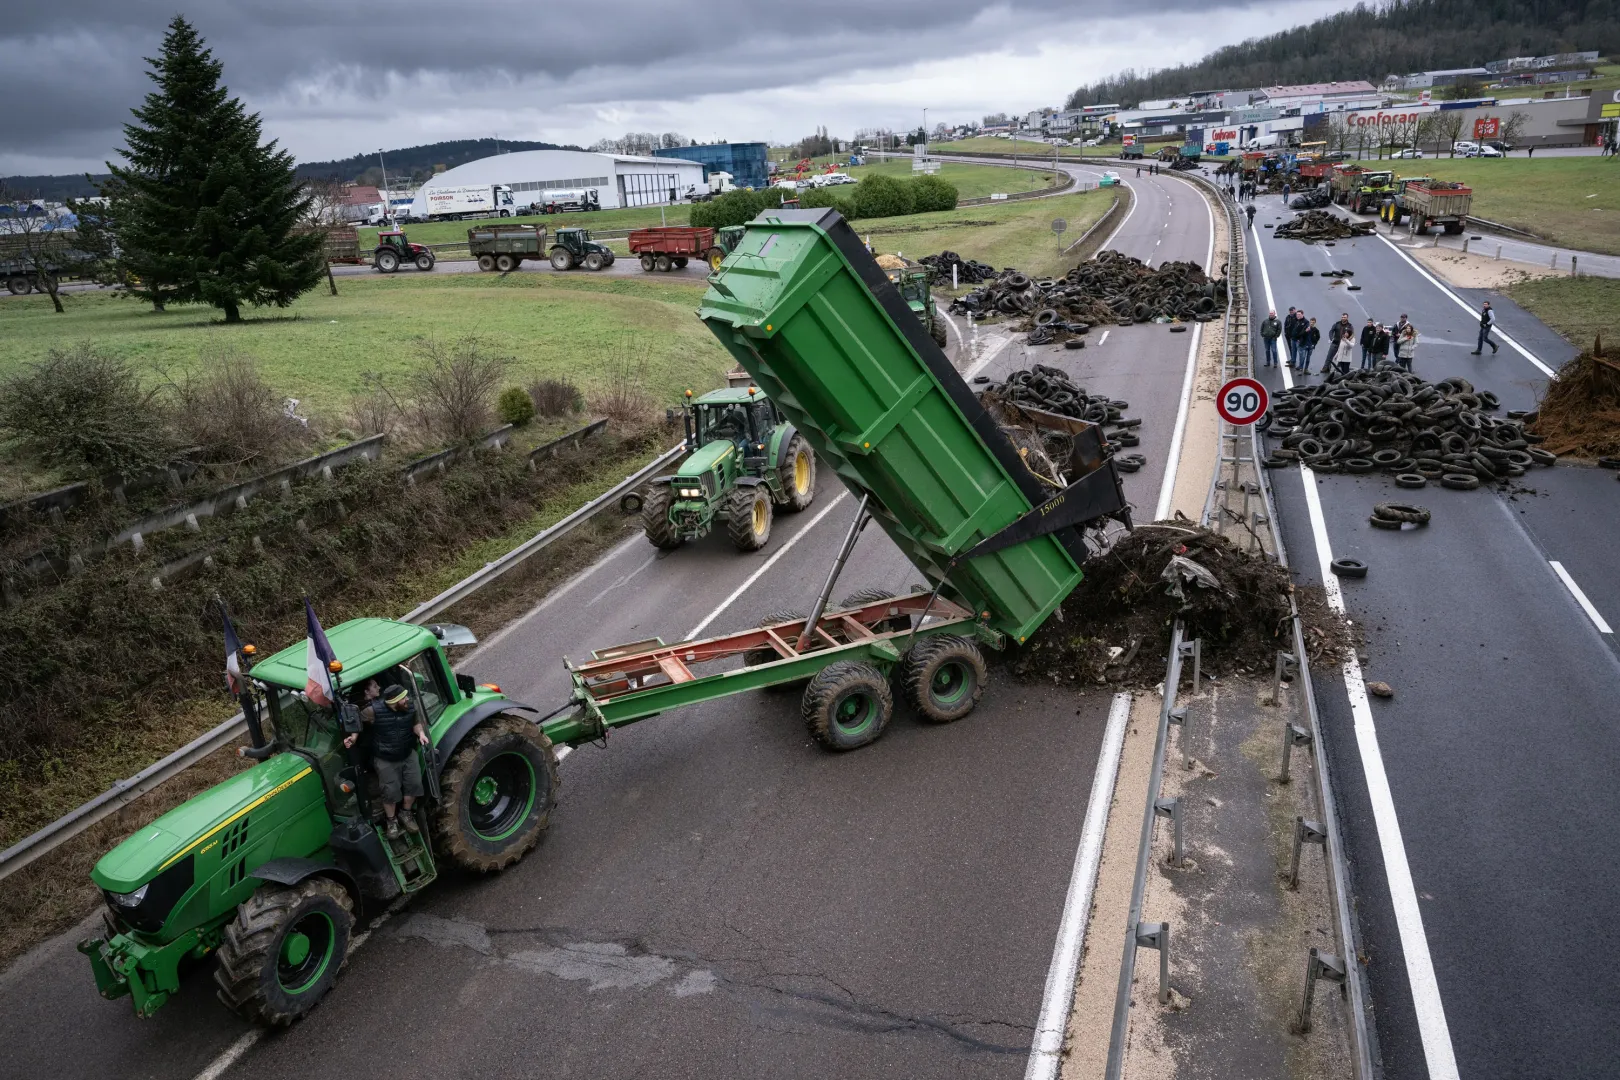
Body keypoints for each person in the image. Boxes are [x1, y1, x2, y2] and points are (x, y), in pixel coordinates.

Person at [345, 682, 429, 838]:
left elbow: (415, 722)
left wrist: (421, 734)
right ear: (393, 702)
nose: (407, 701)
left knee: (415, 785)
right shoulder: (372, 711)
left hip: (407, 754)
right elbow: (356, 720)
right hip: (385, 758)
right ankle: (392, 821)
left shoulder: (409, 707)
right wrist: (354, 737)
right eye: (403, 699)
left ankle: (406, 813)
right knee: (389, 792)